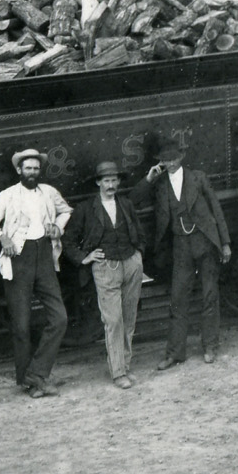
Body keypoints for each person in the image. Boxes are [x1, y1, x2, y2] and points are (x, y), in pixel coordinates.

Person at [0, 148, 71, 397]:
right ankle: (30, 382)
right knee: (21, 326)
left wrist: (58, 226)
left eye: (36, 168)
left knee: (60, 318)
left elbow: (66, 210)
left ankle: (36, 373)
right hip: (19, 261)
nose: (32, 172)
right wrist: (1, 236)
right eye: (28, 168)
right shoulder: (8, 196)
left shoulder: (48, 193)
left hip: (45, 257)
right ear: (19, 170)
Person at [139, 142, 230, 368]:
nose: (169, 163)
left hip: (205, 241)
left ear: (181, 158)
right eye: (165, 160)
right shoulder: (159, 184)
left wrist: (225, 242)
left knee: (210, 295)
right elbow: (133, 199)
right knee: (178, 299)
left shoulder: (198, 177)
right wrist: (149, 178)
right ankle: (175, 353)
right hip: (180, 246)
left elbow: (216, 209)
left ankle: (210, 346)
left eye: (173, 159)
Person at [70, 159, 145, 389]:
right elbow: (68, 239)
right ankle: (118, 372)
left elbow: (138, 231)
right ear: (98, 183)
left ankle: (125, 365)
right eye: (106, 181)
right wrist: (85, 257)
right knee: (113, 320)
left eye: (114, 180)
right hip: (106, 268)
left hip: (131, 263)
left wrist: (138, 255)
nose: (111, 184)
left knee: (129, 317)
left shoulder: (126, 204)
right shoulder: (86, 208)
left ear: (119, 182)